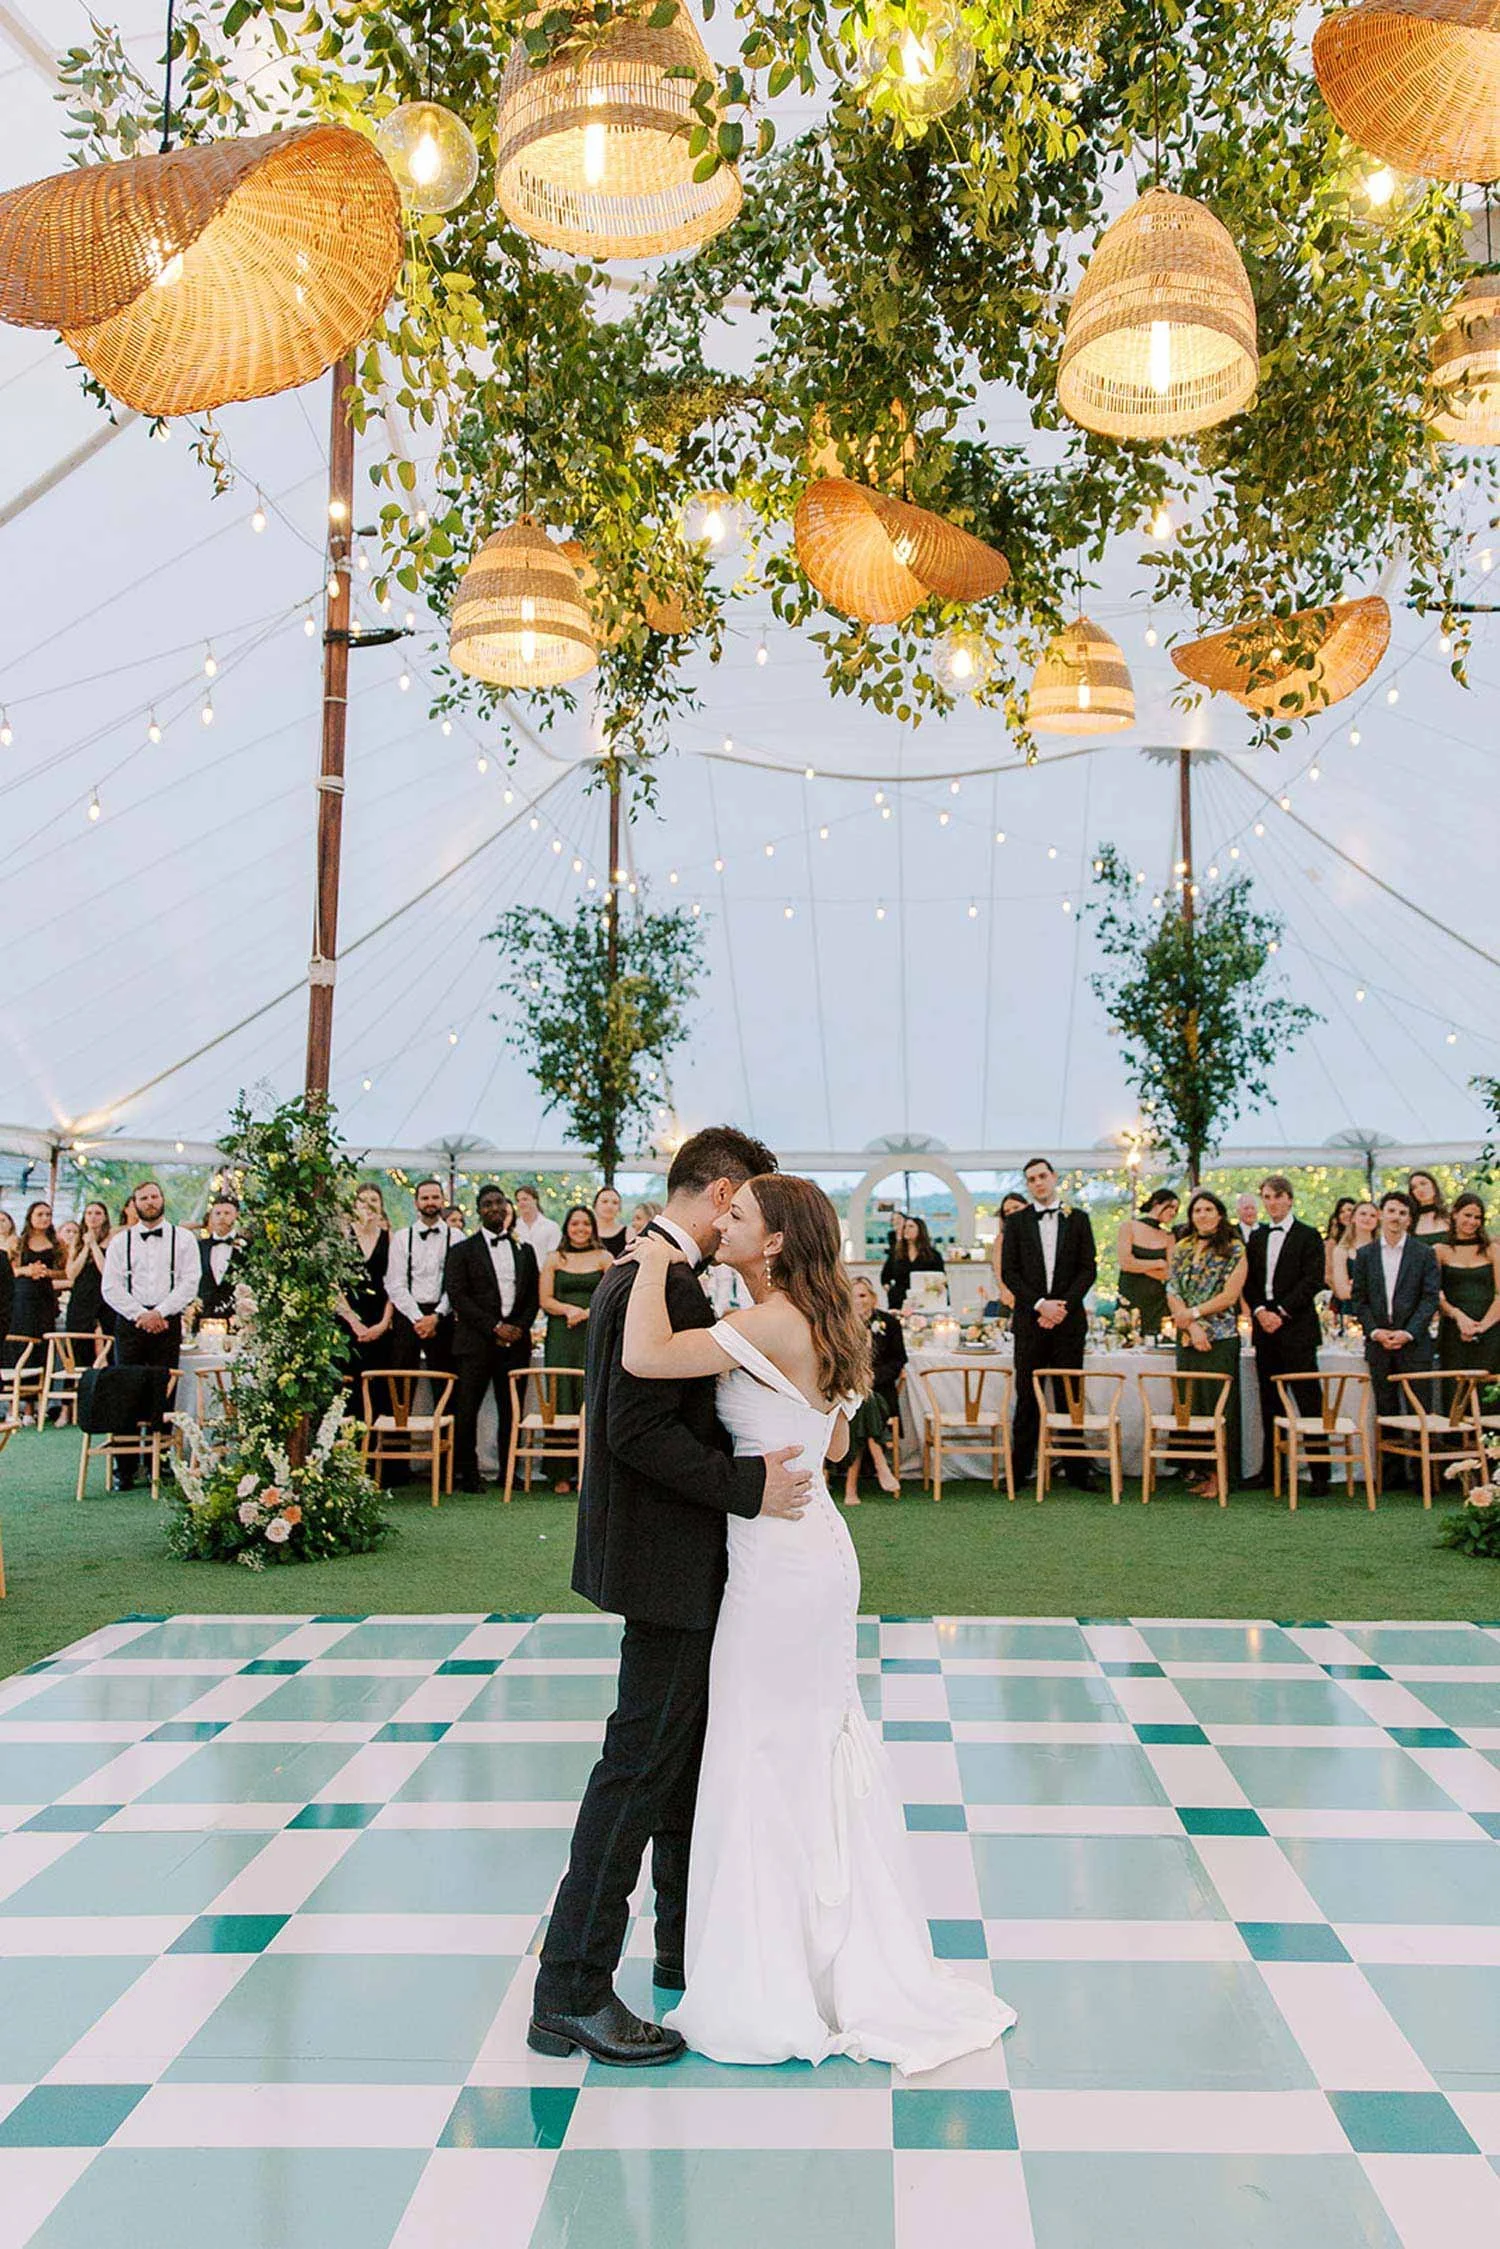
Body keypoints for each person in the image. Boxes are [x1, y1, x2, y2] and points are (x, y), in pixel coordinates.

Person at [610, 1172, 1014, 2072]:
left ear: (779, 1240)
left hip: (781, 1562)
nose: (725, 1223)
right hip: (811, 1543)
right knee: (800, 1742)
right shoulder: (823, 1320)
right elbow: (832, 1442)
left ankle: (774, 1972)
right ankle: (819, 1954)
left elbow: (645, 1357)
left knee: (762, 1746)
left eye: (741, 1216)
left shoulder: (774, 1321)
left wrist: (652, 1257)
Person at [531, 1125, 811, 2068]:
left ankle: (682, 1951)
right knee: (638, 1773)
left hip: (675, 1563)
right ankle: (569, 1988)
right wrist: (749, 1490)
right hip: (668, 1564)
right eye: (749, 1196)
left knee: (678, 1770)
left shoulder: (654, 1271)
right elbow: (635, 1432)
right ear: (726, 1190)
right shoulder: (659, 1279)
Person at [1002, 1156, 1099, 1489]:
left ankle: (1077, 1473)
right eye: (1031, 1179)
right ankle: (1019, 1473)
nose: (1038, 1183)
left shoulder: (1079, 1219)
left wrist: (1062, 1308)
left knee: (1069, 1396)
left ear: (1054, 1177)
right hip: (1030, 1324)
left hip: (1069, 1325)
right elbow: (1009, 1273)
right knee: (1027, 1398)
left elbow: (1089, 1269)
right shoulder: (1016, 1223)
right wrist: (1041, 1305)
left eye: (1042, 1176)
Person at [100, 1182, 198, 1485]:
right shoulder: (120, 1241)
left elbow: (189, 1281)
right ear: (134, 1204)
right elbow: (110, 1287)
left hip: (167, 1323)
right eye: (144, 1198)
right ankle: (125, 1468)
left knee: (163, 1392)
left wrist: (161, 1312)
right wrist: (141, 1314)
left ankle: (160, 1461)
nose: (150, 1202)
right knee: (126, 1392)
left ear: (163, 1199)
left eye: (155, 1196)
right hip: (131, 1324)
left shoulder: (183, 1239)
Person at [445, 1183, 540, 1493]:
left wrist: (518, 1328)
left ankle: (508, 1471)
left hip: (515, 1343)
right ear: (479, 1210)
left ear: (507, 1208)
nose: (495, 1208)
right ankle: (468, 1475)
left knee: (510, 1409)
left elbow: (533, 1295)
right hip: (475, 1342)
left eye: (500, 1202)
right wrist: (494, 1327)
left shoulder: (525, 1250)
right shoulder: (461, 1251)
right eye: (488, 1204)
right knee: (467, 1409)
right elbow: (458, 1296)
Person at [1351, 1191, 1441, 1487]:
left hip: (1414, 1344)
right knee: (1386, 1409)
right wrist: (1375, 1331)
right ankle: (1391, 1476)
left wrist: (1408, 1332)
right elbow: (1359, 1300)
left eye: (1403, 1213)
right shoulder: (1365, 1255)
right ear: (1381, 1213)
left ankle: (1421, 1476)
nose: (1396, 1217)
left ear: (1409, 1219)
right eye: (1391, 1211)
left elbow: (1430, 1299)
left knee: (1419, 1408)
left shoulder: (1424, 1253)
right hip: (1379, 1343)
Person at [1243, 1174, 1327, 1492]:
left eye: (1278, 1196)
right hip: (1265, 1332)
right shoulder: (1257, 1238)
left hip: (1298, 1330)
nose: (1272, 1202)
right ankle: (1272, 1471)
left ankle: (1320, 1475)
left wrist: (1280, 1312)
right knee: (1269, 1402)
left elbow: (1313, 1280)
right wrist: (1260, 1312)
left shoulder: (1308, 1235)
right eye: (1266, 1196)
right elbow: (1249, 1282)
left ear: (1290, 1199)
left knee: (1309, 1402)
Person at [1167, 1191, 1247, 1500]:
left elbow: (1230, 1295)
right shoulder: (1183, 1247)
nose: (1202, 1215)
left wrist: (1197, 1315)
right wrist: (1189, 1324)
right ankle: (1199, 1469)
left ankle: (1221, 1475)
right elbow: (1172, 1287)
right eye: (1197, 1210)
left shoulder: (1235, 1248)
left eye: (1208, 1209)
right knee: (1192, 1404)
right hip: (1187, 1335)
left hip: (1221, 1337)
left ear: (1220, 1214)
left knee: (1218, 1405)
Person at [539, 1206, 614, 1490]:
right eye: (574, 1224)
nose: (580, 1229)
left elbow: (613, 1295)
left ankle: (592, 1470)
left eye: (585, 1224)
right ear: (566, 1227)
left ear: (593, 1228)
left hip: (593, 1333)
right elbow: (545, 1299)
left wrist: (587, 1312)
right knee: (560, 1396)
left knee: (591, 1394)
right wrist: (569, 1309)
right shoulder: (553, 1259)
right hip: (561, 1335)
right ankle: (560, 1474)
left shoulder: (605, 1258)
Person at [842, 1274, 905, 1502]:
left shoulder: (890, 1323)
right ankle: (881, 1463)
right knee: (860, 1402)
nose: (858, 1301)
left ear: (873, 1298)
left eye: (862, 1295)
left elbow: (898, 1361)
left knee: (865, 1403)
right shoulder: (840, 1325)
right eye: (853, 1296)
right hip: (847, 1391)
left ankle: (851, 1488)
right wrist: (855, 1380)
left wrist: (873, 1378)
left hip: (881, 1392)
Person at [384, 1177, 454, 1376]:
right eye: (425, 1198)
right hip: (408, 1316)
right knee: (402, 1382)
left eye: (435, 1197)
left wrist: (437, 1316)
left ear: (443, 1200)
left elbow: (456, 1284)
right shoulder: (401, 1237)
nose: (430, 1202)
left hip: (443, 1317)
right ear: (416, 1203)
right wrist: (418, 1319)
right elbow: (395, 1284)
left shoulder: (457, 1237)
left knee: (446, 1380)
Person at [337, 1184, 394, 1413]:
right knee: (349, 1391)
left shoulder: (390, 1237)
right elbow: (334, 1283)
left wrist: (383, 1323)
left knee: (379, 1390)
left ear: (381, 1207)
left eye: (374, 1200)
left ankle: (375, 1446)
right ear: (354, 1206)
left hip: (380, 1321)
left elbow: (394, 1284)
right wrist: (354, 1322)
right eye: (363, 1200)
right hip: (348, 1321)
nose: (368, 1205)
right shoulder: (342, 1236)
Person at [1436, 1192, 1500, 1374]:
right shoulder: (1440, 1251)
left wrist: (1481, 1327)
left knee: (1487, 1393)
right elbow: (1435, 1294)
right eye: (1467, 1215)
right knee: (1455, 1390)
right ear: (1455, 1214)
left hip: (1490, 1328)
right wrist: (1459, 1317)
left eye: (1477, 1217)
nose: (1472, 1221)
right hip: (1453, 1330)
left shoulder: (1492, 1250)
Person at [1116, 1188, 1180, 1337]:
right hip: (1130, 1295)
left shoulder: (1168, 1236)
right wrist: (1157, 1263)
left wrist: (1137, 1264)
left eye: (1176, 1209)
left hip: (1157, 1300)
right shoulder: (1129, 1226)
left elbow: (1168, 1273)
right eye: (1170, 1206)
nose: (1173, 1212)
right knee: (1128, 1337)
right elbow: (1125, 1263)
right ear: (1156, 1203)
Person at [12, 1201, 64, 1349]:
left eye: (48, 1215)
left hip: (45, 1296)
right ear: (30, 1217)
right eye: (40, 1214)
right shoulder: (18, 1242)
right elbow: (9, 1271)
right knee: (21, 1336)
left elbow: (66, 1272)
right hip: (22, 1295)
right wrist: (25, 1270)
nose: (45, 1218)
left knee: (43, 1337)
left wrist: (47, 1272)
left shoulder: (57, 1243)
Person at [66, 1202, 113, 1339]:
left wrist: (94, 1245)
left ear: (105, 1217)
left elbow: (106, 1271)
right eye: (89, 1213)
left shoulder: (111, 1239)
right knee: (78, 1339)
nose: (93, 1217)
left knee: (107, 1338)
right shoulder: (77, 1240)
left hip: (104, 1294)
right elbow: (71, 1273)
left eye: (98, 1213)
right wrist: (86, 1248)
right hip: (82, 1294)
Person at [880, 1214, 946, 1312]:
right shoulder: (896, 1254)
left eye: (911, 1226)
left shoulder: (933, 1255)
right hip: (899, 1301)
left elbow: (941, 1279)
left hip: (924, 1301)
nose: (906, 1229)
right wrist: (891, 1291)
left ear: (920, 1230)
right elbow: (885, 1277)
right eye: (905, 1227)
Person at [197, 1194, 241, 1324]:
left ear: (236, 1215)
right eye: (217, 1213)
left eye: (227, 1213)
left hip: (236, 1319)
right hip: (204, 1318)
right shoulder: (199, 1246)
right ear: (211, 1216)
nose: (222, 1217)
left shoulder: (248, 1247)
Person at [984, 1191, 1028, 1317]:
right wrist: (1005, 1292)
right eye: (1007, 1212)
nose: (1012, 1213)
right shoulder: (1002, 1238)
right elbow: (998, 1270)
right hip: (1012, 1297)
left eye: (1016, 1207)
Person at [1330, 1200, 1380, 1306]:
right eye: (1363, 1214)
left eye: (1372, 1216)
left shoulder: (1384, 1249)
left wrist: (1356, 1285)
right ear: (1353, 1218)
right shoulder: (1341, 1250)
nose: (1367, 1218)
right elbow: (1343, 1292)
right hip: (1352, 1312)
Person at [513, 1182, 562, 1266]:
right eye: (518, 1200)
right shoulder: (513, 1227)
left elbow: (554, 1256)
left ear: (535, 1200)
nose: (521, 1203)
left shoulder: (551, 1227)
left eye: (525, 1199)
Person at [1408, 1169, 1451, 1246]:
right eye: (1414, 1187)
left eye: (1423, 1184)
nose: (1420, 1189)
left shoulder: (1450, 1217)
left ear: (1434, 1187)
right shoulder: (1410, 1222)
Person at [1323, 1198, 1357, 1292]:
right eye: (1341, 1212)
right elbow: (1329, 1276)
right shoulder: (1332, 1244)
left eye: (1350, 1210)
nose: (1346, 1214)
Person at [593, 1184, 628, 1258]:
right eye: (604, 1201)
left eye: (615, 1203)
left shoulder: (628, 1232)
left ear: (619, 1208)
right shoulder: (586, 1232)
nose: (609, 1206)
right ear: (595, 1205)